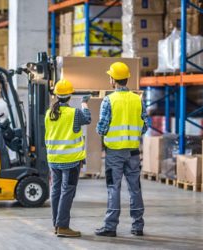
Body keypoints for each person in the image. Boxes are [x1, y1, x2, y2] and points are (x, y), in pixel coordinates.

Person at [95, 62, 148, 237]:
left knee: (113, 187)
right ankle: (138, 226)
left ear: (112, 79)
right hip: (133, 151)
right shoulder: (137, 99)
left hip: (114, 152)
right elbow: (145, 126)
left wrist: (101, 130)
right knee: (135, 187)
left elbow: (102, 128)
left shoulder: (108, 100)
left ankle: (110, 226)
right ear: (127, 78)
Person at [45, 79, 91, 238]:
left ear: (56, 95)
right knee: (67, 192)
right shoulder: (74, 113)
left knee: (56, 191)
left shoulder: (49, 113)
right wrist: (84, 103)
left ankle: (56, 225)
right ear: (70, 96)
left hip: (54, 159)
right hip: (70, 160)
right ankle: (63, 226)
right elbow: (88, 118)